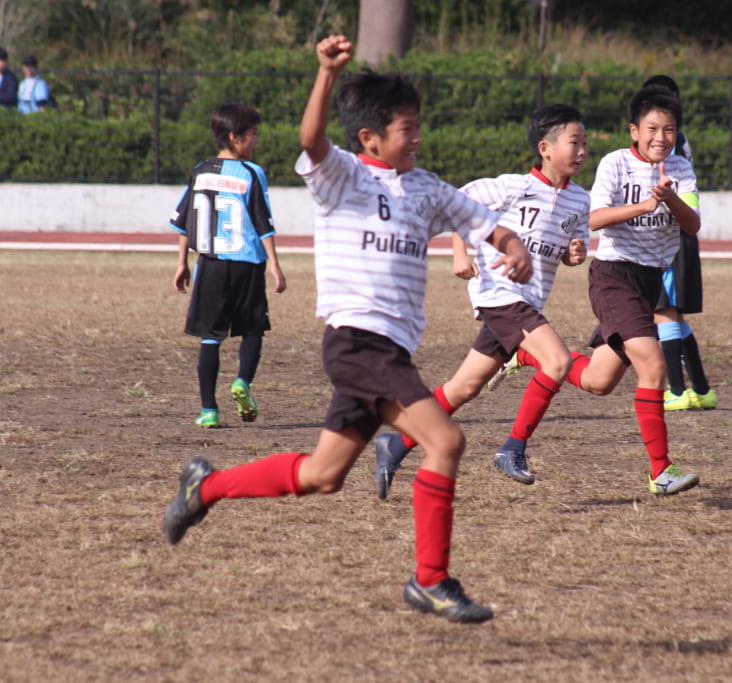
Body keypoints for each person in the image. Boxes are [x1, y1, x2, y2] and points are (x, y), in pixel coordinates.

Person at [163, 34, 533, 624]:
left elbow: (485, 224)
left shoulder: (429, 188)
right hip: (358, 341)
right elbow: (311, 141)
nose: (416, 137)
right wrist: (325, 75)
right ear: (370, 138)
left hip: (387, 351)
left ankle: (202, 489)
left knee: (322, 475)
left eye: (417, 127)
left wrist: (514, 247)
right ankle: (430, 581)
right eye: (406, 128)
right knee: (446, 441)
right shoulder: (344, 178)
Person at [474, 84, 701, 495]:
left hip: (649, 281)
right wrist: (644, 206)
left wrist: (670, 199)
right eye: (652, 129)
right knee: (653, 366)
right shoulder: (614, 164)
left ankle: (525, 355)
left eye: (669, 130)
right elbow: (595, 218)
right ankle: (661, 470)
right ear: (634, 130)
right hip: (615, 276)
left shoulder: (680, 170)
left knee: (599, 381)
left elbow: (693, 225)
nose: (660, 138)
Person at [371, 103, 590, 494]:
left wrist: (573, 255)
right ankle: (513, 449)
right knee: (557, 361)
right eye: (575, 142)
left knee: (464, 387)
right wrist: (460, 252)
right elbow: (458, 207)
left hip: (528, 302)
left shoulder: (580, 201)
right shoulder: (510, 186)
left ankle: (398, 441)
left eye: (585, 143)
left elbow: (569, 251)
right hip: (500, 294)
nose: (582, 151)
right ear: (545, 147)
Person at [170, 103, 287, 428]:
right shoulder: (252, 173)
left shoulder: (200, 171)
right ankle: (242, 382)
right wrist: (275, 265)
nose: (257, 141)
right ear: (234, 137)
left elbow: (184, 222)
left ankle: (209, 410)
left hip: (208, 264)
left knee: (210, 337)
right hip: (247, 264)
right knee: (252, 329)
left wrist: (182, 263)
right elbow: (263, 224)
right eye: (253, 135)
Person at [640, 74, 716, 412]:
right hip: (683, 233)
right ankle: (700, 389)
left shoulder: (661, 146)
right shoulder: (678, 138)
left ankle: (675, 389)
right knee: (674, 315)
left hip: (669, 233)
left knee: (662, 311)